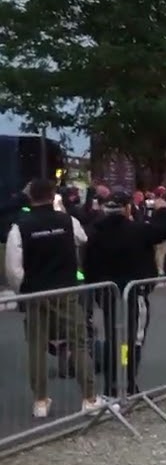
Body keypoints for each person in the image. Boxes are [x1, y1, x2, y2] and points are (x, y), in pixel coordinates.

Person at [4, 178, 104, 417]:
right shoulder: (68, 221)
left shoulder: (20, 227)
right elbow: (84, 239)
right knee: (77, 343)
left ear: (30, 196)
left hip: (37, 293)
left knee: (36, 347)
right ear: (53, 195)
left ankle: (40, 401)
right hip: (67, 290)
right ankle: (89, 398)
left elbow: (13, 269)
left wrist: (24, 289)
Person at [83, 190, 166, 398]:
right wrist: (162, 209)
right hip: (135, 292)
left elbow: (87, 264)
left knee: (112, 336)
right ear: (127, 208)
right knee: (134, 338)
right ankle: (130, 384)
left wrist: (94, 288)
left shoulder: (95, 232)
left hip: (106, 293)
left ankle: (111, 387)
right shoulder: (138, 230)